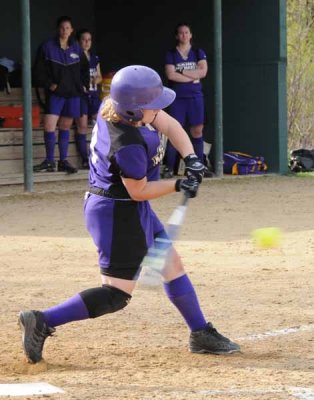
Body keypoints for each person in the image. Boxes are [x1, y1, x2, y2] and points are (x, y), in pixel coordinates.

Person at [18, 65, 240, 364]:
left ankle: (200, 332)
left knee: (170, 262)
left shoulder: (116, 107)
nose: (158, 109)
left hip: (126, 207)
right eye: (152, 105)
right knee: (116, 295)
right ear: (135, 111)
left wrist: (192, 159)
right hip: (117, 214)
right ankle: (43, 320)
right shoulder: (127, 144)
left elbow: (167, 122)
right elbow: (139, 190)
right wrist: (178, 184)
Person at [33, 16, 90, 173]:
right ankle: (50, 161)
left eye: (67, 28)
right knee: (49, 125)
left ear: (72, 30)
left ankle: (63, 161)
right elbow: (38, 71)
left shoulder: (77, 48)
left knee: (65, 126)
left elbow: (85, 69)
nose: (65, 31)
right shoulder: (47, 47)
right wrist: (49, 84)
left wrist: (83, 85)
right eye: (62, 28)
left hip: (72, 94)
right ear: (57, 29)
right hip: (56, 94)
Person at [163, 22, 212, 178]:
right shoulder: (171, 54)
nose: (184, 35)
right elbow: (171, 75)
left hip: (195, 97)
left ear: (191, 35)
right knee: (175, 130)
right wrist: (192, 76)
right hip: (178, 98)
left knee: (197, 130)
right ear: (177, 36)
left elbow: (203, 72)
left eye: (187, 32)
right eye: (181, 33)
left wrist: (182, 70)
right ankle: (169, 167)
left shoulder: (198, 52)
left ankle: (199, 167)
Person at [75, 29, 103, 169]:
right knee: (83, 127)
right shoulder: (75, 57)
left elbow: (99, 76)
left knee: (101, 125)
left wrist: (92, 81)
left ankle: (100, 157)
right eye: (84, 39)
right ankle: (85, 158)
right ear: (78, 41)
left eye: (89, 39)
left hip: (94, 95)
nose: (86, 42)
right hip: (81, 96)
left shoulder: (94, 57)